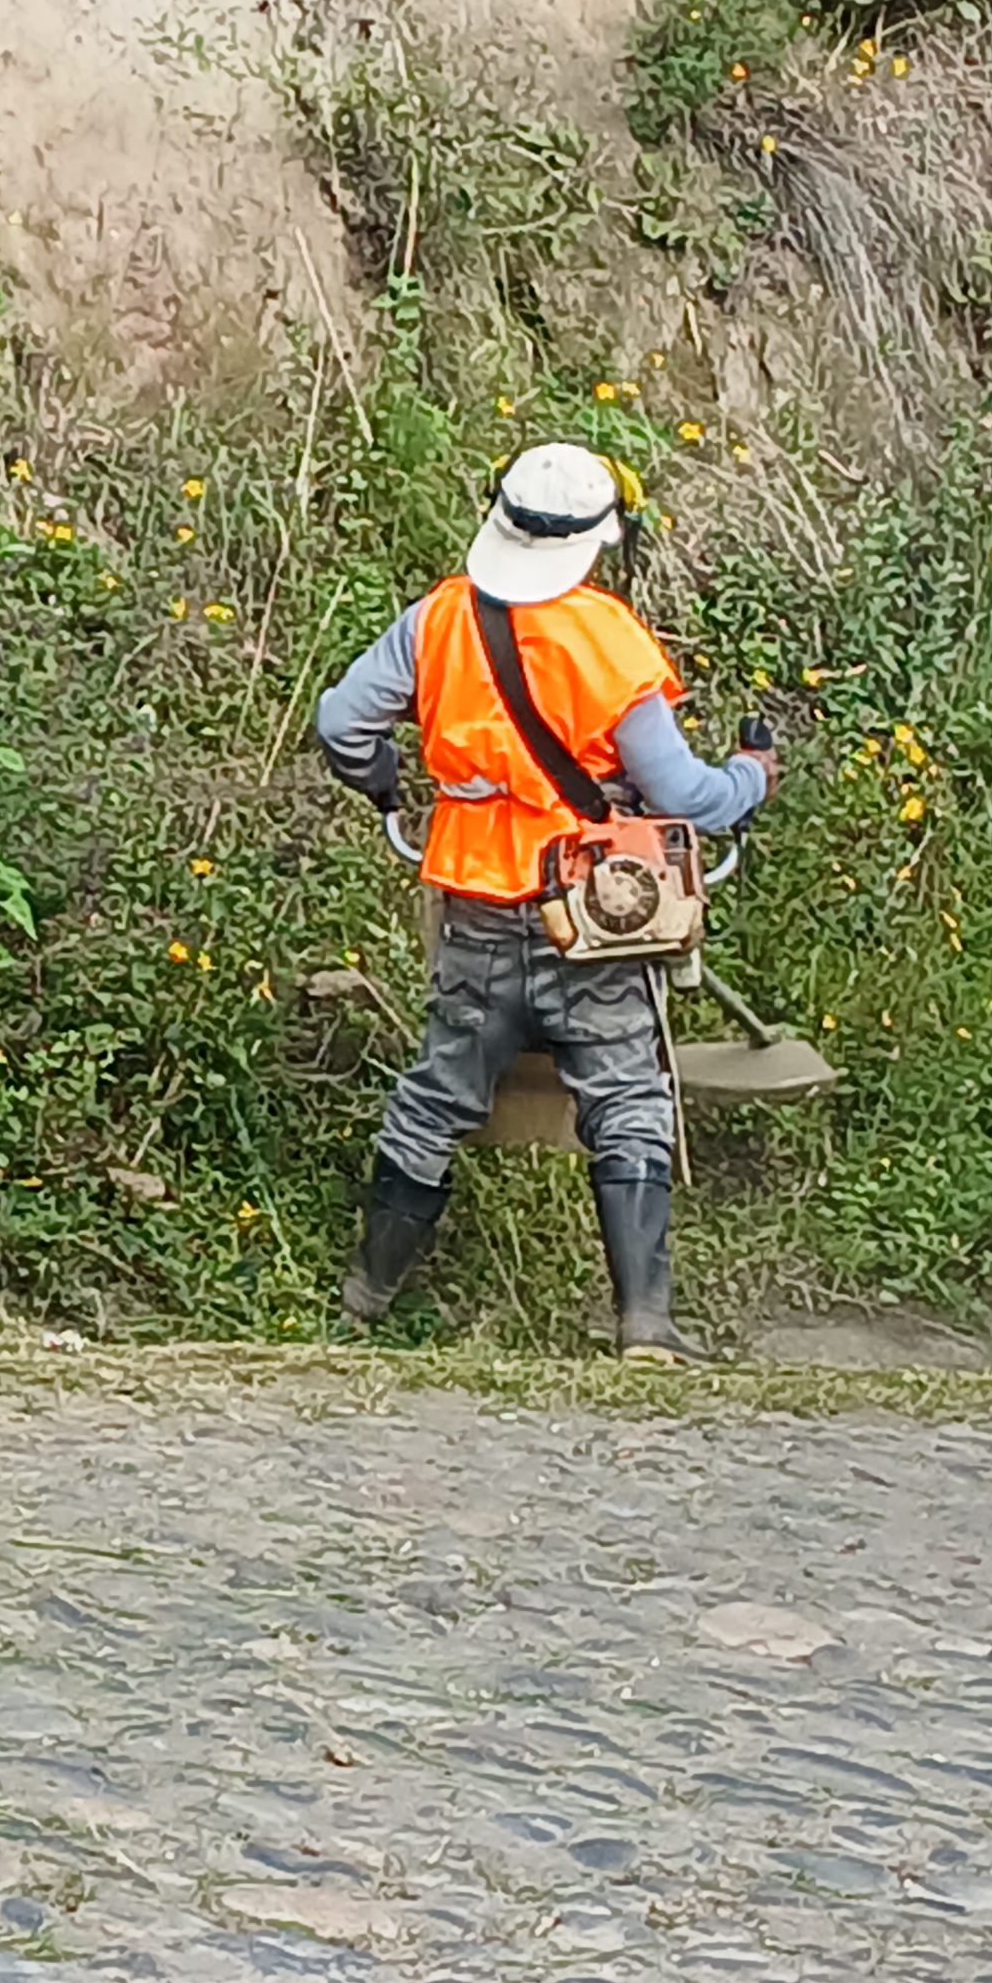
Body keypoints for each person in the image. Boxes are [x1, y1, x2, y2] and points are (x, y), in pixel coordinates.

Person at [310, 442, 776, 1357]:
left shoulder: (439, 619)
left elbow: (340, 723)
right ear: (600, 538)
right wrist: (751, 779)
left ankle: (363, 1304)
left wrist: (382, 779)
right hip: (596, 912)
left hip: (475, 908)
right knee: (627, 1096)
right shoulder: (607, 638)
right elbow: (683, 796)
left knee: (437, 1097)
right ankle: (645, 1324)